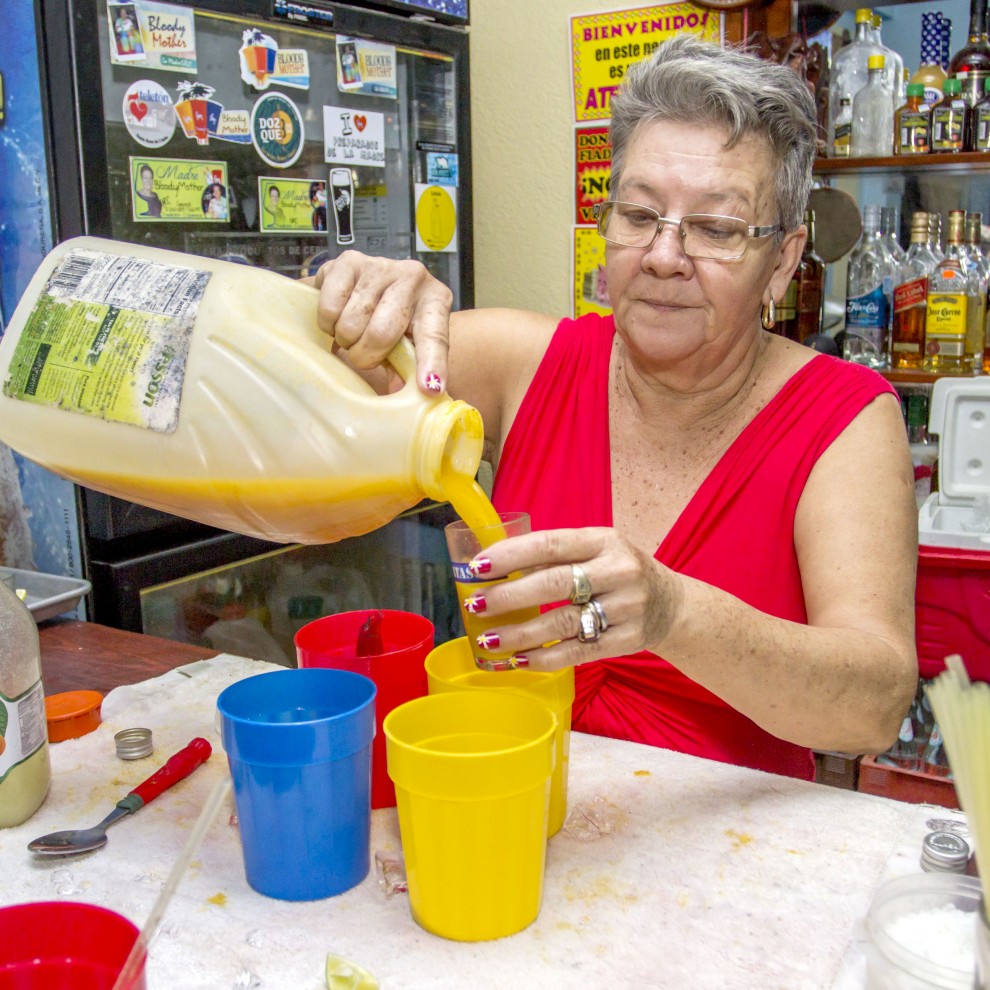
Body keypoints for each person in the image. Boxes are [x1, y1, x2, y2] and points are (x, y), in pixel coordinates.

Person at [311, 36, 919, 781]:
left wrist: (673, 614)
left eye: (716, 228)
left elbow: (876, 705)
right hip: (511, 818)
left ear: (784, 261)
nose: (664, 255)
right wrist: (356, 299)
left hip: (726, 860)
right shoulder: (522, 362)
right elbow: (311, 392)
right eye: (639, 216)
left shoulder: (843, 418)